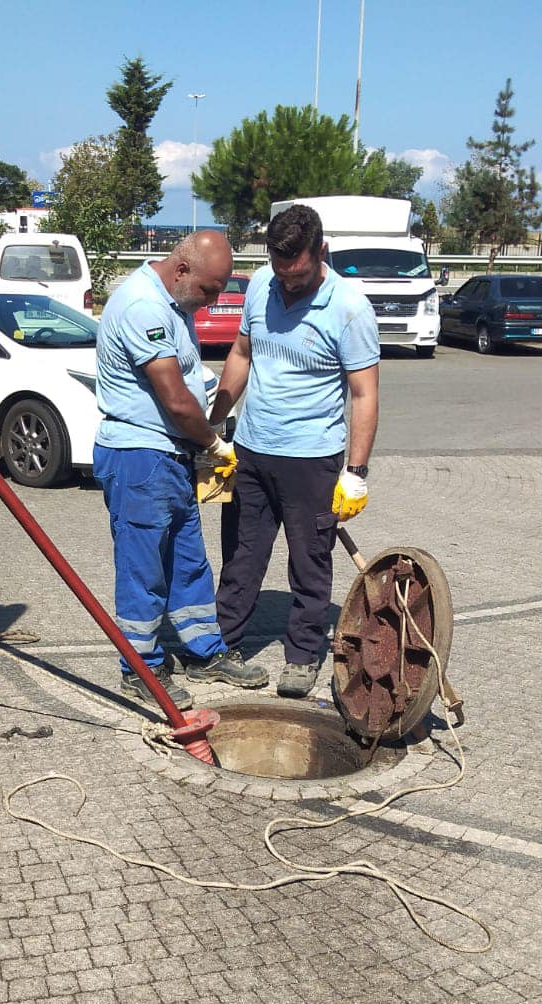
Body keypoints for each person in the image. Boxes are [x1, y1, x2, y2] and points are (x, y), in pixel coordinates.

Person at [209, 204, 380, 698]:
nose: (287, 284)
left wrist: (356, 471)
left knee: (309, 562)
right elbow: (242, 353)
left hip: (312, 459)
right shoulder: (262, 284)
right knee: (241, 556)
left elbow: (364, 394)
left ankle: (303, 655)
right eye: (281, 273)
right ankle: (224, 645)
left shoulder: (350, 308)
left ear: (320, 252)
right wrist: (214, 421)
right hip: (252, 451)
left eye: (298, 275)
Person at [93, 231, 270, 704]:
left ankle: (204, 652)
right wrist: (213, 443)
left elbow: (190, 378)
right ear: (182, 270)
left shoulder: (176, 304)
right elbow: (174, 399)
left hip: (170, 455)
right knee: (143, 569)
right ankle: (141, 669)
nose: (212, 301)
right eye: (210, 290)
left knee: (188, 561)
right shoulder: (143, 306)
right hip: (139, 457)